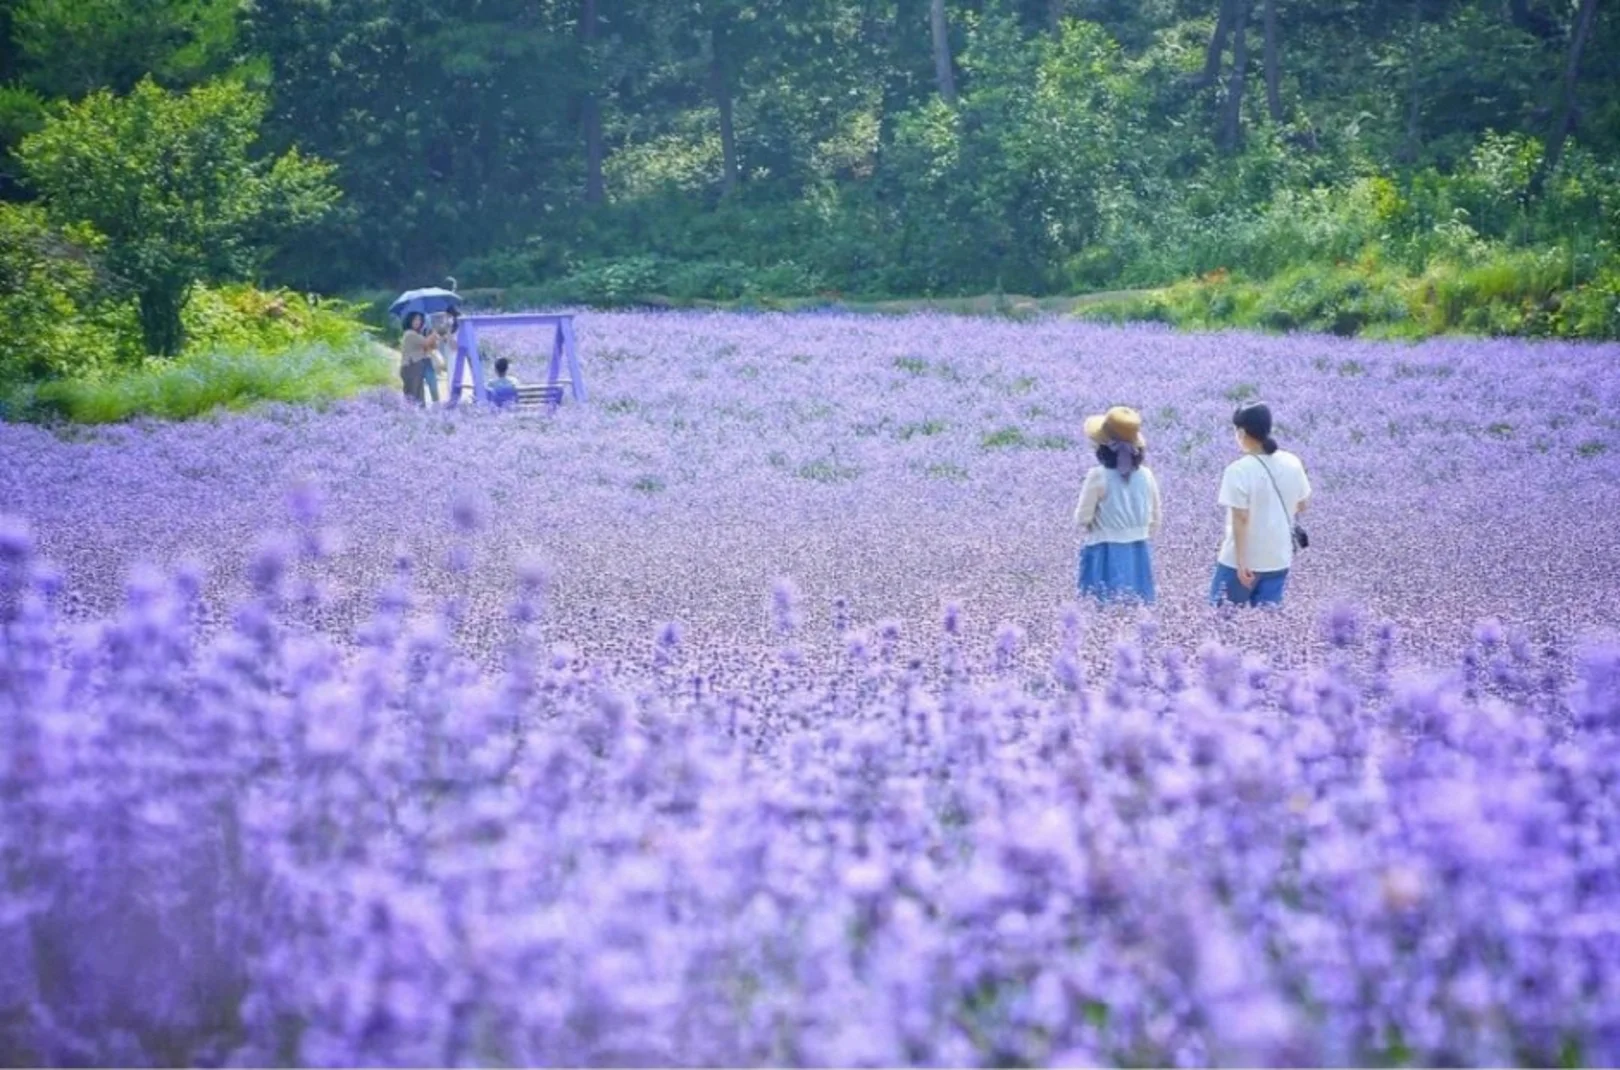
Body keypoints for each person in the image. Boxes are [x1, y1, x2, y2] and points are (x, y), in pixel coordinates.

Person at [1211, 401, 1312, 608]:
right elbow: (1302, 504)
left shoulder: (1238, 470)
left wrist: (1240, 562)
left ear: (1241, 432)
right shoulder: (1292, 462)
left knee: (1221, 619)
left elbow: (1241, 519)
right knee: (1267, 623)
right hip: (1278, 558)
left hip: (1242, 562)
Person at [1074, 406, 1162, 604]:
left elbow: (1082, 518)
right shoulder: (1147, 475)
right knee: (1138, 605)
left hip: (1104, 550)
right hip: (1138, 551)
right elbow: (1156, 518)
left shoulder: (1098, 475)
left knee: (1103, 606)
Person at [399, 312, 434, 405]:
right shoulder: (410, 334)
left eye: (419, 319)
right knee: (413, 396)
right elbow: (426, 342)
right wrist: (435, 332)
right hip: (411, 367)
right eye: (415, 319)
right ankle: (411, 416)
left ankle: (418, 416)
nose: (417, 322)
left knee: (418, 395)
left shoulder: (415, 334)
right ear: (409, 321)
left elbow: (427, 347)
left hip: (415, 366)